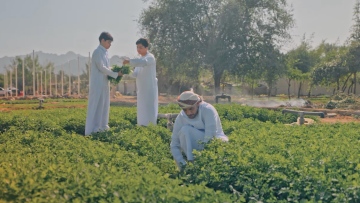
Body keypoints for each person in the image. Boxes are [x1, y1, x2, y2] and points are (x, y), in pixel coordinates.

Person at [170, 91, 229, 170]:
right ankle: (191, 164)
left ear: (197, 104)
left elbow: (210, 137)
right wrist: (182, 165)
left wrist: (202, 160)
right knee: (185, 130)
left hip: (216, 142)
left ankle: (206, 166)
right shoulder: (181, 117)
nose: (189, 113)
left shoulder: (207, 110)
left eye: (191, 109)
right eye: (185, 110)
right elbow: (174, 144)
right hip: (197, 145)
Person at [85, 32, 123, 135]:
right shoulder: (97, 52)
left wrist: (116, 71)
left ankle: (102, 127)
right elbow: (101, 67)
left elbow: (106, 68)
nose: (110, 45)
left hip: (104, 83)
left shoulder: (105, 53)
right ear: (102, 40)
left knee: (104, 105)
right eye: (108, 42)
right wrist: (115, 73)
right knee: (96, 105)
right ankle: (92, 130)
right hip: (97, 83)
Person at [123, 38, 158, 126]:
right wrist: (126, 71)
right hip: (141, 90)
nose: (138, 49)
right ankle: (141, 126)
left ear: (146, 47)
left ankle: (151, 127)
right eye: (137, 47)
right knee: (142, 109)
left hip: (149, 89)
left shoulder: (150, 57)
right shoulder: (140, 59)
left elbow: (143, 63)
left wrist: (129, 61)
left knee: (149, 109)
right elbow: (135, 74)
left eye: (141, 47)